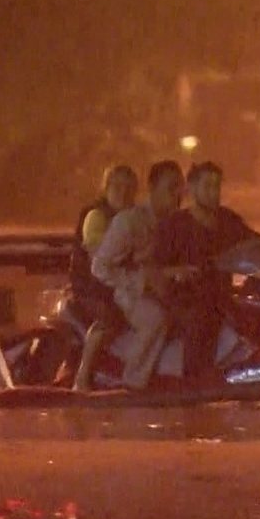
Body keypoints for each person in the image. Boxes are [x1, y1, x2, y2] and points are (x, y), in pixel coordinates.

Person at [152, 161, 260, 382]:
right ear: (192, 189)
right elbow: (155, 267)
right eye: (208, 186)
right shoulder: (175, 225)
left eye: (217, 186)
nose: (214, 193)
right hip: (186, 299)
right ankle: (194, 380)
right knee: (200, 319)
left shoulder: (227, 220)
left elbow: (255, 244)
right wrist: (177, 271)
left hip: (221, 294)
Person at [79, 160, 186, 391]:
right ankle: (133, 383)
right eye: (171, 188)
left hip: (163, 287)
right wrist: (140, 280)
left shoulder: (177, 222)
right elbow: (100, 266)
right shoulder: (127, 221)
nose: (178, 195)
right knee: (154, 319)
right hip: (125, 291)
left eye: (181, 189)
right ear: (153, 189)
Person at [68, 165, 138, 327]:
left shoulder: (135, 218)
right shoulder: (95, 217)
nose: (123, 193)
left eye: (129, 188)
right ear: (106, 189)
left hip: (123, 285)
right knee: (111, 319)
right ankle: (91, 352)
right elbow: (101, 255)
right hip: (92, 288)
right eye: (117, 187)